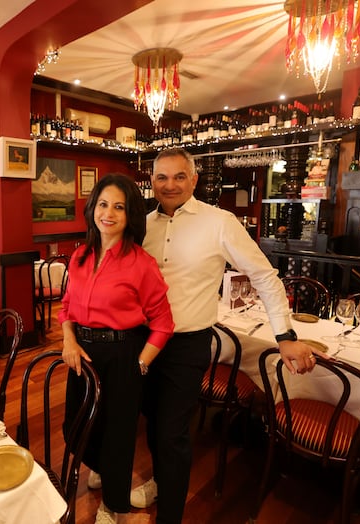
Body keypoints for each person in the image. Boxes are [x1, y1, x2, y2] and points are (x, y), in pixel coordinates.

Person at [132, 148, 326, 523]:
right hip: (141, 340)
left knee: (173, 431)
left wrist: (284, 335)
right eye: (161, 177)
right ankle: (160, 479)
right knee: (152, 420)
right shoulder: (142, 223)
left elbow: (264, 276)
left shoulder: (219, 221)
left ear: (194, 180)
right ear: (152, 180)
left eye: (178, 176)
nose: (169, 185)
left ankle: (170, 515)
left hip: (186, 344)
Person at [59, 173, 174, 524]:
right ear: (93, 207)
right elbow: (66, 307)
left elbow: (163, 323)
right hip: (82, 352)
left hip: (124, 353)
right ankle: (100, 469)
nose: (109, 213)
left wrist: (139, 364)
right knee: (76, 426)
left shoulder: (142, 263)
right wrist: (68, 340)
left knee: (118, 435)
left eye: (119, 207)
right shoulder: (80, 256)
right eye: (103, 204)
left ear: (130, 216)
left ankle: (113, 506)